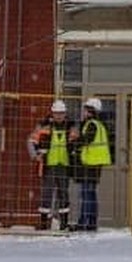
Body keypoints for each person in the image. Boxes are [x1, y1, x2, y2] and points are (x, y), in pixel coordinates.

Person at [27, 99, 76, 231]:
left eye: (61, 113)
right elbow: (31, 141)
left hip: (64, 166)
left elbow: (76, 143)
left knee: (64, 195)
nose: (59, 116)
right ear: (52, 113)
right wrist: (35, 155)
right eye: (56, 113)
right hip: (48, 166)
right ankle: (43, 223)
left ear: (65, 113)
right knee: (46, 195)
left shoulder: (71, 126)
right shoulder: (44, 126)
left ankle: (64, 224)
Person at [73, 97, 112, 232]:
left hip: (90, 164)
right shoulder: (100, 124)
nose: (83, 112)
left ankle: (83, 222)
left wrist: (72, 143)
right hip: (96, 164)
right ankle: (91, 223)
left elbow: (85, 140)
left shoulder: (91, 125)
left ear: (91, 111)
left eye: (85, 110)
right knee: (91, 194)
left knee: (86, 194)